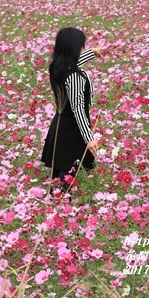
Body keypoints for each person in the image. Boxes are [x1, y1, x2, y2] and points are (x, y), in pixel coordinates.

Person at [42, 27, 104, 198]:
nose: (82, 49)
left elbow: (73, 63)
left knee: (60, 171)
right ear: (73, 47)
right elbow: (78, 109)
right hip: (72, 129)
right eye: (81, 46)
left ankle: (56, 209)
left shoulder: (56, 68)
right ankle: (61, 209)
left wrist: (92, 52)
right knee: (67, 175)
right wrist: (89, 138)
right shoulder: (74, 76)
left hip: (60, 124)